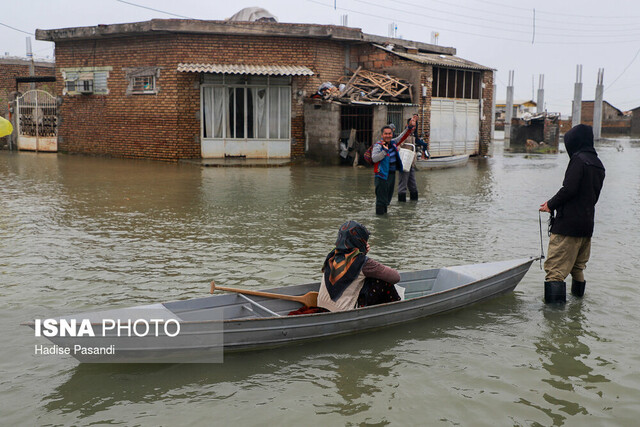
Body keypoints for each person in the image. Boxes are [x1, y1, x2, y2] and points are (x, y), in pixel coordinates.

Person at [539, 124, 605, 303]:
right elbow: (592, 196)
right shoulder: (598, 164)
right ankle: (577, 309)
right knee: (578, 268)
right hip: (586, 227)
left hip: (568, 227)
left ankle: (553, 320)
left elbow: (569, 189)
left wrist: (550, 205)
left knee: (554, 271)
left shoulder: (578, 160)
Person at [317, 220, 402, 312]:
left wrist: (362, 252)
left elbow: (351, 268)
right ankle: (397, 309)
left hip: (321, 306)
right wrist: (363, 254)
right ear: (360, 241)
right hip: (343, 310)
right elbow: (395, 277)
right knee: (382, 281)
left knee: (364, 277)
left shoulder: (332, 255)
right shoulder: (363, 262)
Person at [371, 119, 415, 215]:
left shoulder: (393, 143)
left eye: (389, 134)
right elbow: (374, 158)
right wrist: (384, 152)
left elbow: (402, 137)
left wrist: (410, 127)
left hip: (391, 175)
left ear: (392, 134)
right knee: (381, 200)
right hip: (381, 175)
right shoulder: (378, 146)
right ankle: (380, 221)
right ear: (382, 135)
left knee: (387, 199)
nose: (388, 136)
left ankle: (384, 219)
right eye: (386, 134)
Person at [396, 115, 429, 202]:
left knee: (413, 185)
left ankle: (413, 204)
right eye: (412, 125)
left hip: (411, 163)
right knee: (402, 186)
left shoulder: (413, 136)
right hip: (404, 162)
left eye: (415, 126)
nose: (414, 128)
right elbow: (398, 146)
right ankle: (402, 205)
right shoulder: (404, 135)